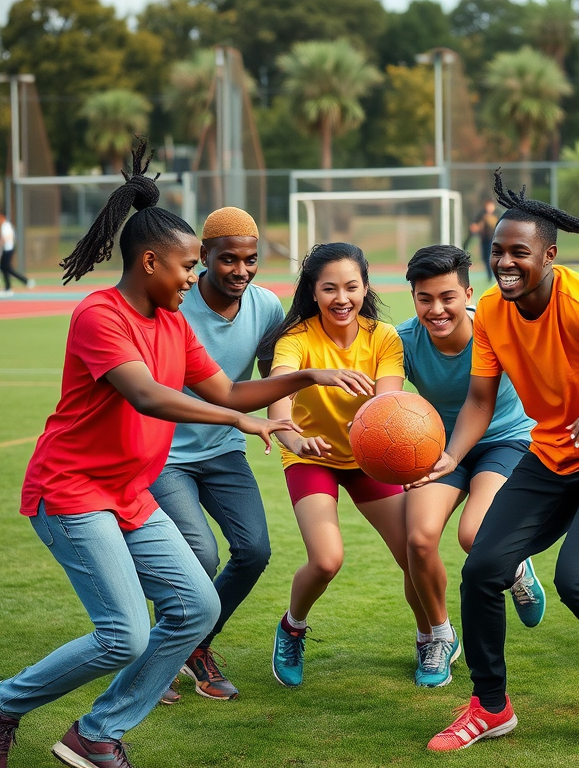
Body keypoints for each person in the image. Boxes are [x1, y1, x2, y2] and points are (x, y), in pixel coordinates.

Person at [0, 144, 353, 768]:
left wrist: (305, 378)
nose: (193, 279)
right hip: (72, 491)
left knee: (197, 608)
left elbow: (228, 389)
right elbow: (148, 395)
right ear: (149, 261)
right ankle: (7, 703)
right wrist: (238, 419)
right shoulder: (99, 316)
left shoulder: (172, 323)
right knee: (124, 633)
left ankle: (96, 731)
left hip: (129, 495)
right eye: (188, 267)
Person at [420, 173, 579, 752]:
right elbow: (481, 398)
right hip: (551, 452)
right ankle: (490, 705)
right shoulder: (488, 308)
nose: (505, 263)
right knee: (483, 568)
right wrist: (451, 456)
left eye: (520, 253)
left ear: (550, 256)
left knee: (576, 579)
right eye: (498, 252)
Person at [266, 242, 431, 689]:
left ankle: (429, 638)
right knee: (326, 560)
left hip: (368, 456)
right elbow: (278, 401)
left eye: (352, 287)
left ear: (365, 287)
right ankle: (291, 627)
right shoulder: (296, 339)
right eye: (329, 289)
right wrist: (295, 439)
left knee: (414, 555)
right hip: (310, 455)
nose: (342, 298)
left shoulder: (383, 337)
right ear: (313, 292)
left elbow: (387, 409)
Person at [150, 207, 285, 704]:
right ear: (203, 257)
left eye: (250, 260)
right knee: (199, 555)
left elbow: (273, 376)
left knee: (254, 552)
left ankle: (196, 646)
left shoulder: (267, 306)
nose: (241, 271)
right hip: (166, 455)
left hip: (225, 451)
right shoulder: (174, 304)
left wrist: (288, 423)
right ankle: (160, 657)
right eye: (228, 259)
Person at [398, 244, 544, 689]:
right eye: (425, 299)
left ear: (467, 293)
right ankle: (439, 636)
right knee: (419, 539)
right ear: (414, 299)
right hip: (439, 448)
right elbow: (385, 403)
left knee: (473, 536)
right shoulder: (403, 341)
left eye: (447, 297)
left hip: (505, 439)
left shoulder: (497, 326)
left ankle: (518, 569)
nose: (436, 309)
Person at [0, 212, 34, 297]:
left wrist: (2, 243)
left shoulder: (6, 226)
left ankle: (24, 281)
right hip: (7, 249)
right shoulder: (5, 226)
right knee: (5, 268)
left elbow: (8, 237)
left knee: (7, 268)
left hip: (8, 250)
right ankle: (9, 287)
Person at [468, 200, 498, 283]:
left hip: (494, 240)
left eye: (491, 206)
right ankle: (490, 277)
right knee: (485, 257)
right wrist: (475, 227)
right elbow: (474, 226)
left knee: (492, 257)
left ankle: (494, 275)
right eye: (488, 206)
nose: (490, 208)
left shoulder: (497, 214)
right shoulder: (481, 215)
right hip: (484, 239)